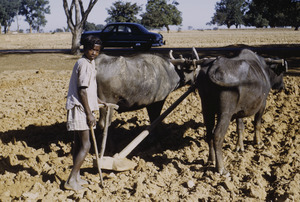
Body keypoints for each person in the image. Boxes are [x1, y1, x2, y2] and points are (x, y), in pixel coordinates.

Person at [64, 35, 104, 191]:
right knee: (86, 145)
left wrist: (99, 101)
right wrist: (89, 113)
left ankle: (77, 176)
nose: (94, 53)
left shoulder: (89, 62)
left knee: (79, 143)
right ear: (85, 48)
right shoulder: (85, 65)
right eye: (91, 49)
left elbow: (89, 89)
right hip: (80, 108)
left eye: (97, 51)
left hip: (82, 105)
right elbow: (82, 91)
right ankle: (71, 180)